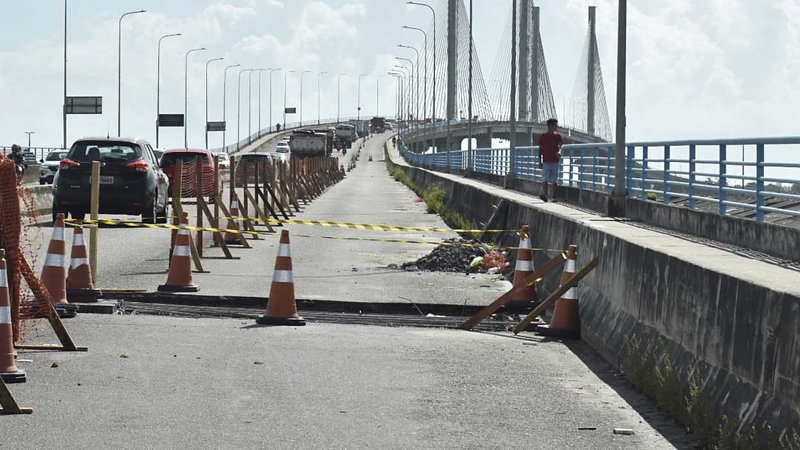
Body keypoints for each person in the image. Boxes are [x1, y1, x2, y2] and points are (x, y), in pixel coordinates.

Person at [538, 118, 563, 203]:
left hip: (555, 160)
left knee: (554, 180)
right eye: (555, 125)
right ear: (550, 126)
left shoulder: (558, 136)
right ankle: (545, 195)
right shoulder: (543, 136)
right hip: (546, 160)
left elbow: (560, 146)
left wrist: (559, 152)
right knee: (544, 179)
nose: (556, 127)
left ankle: (554, 196)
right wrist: (540, 161)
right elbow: (540, 149)